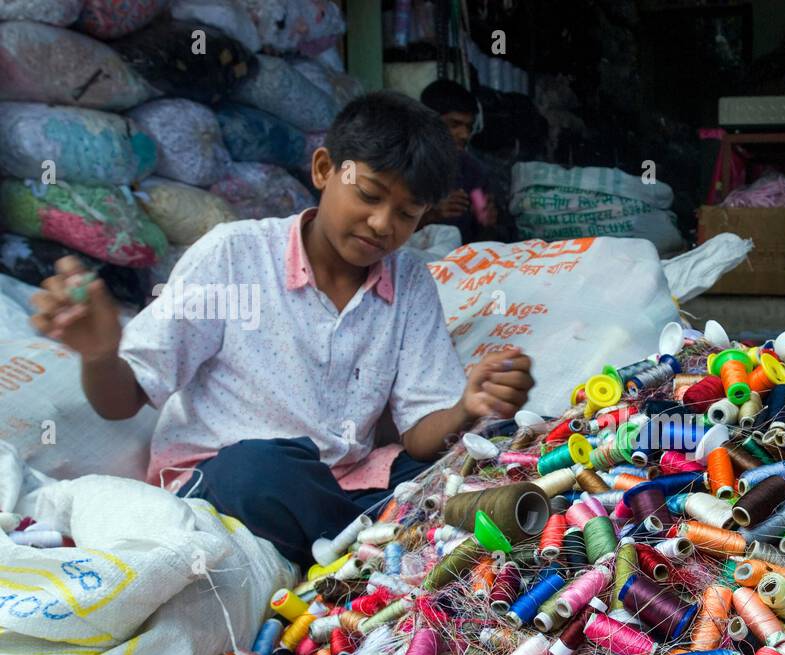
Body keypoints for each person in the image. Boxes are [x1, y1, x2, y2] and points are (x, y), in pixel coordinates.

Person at [28, 91, 534, 569]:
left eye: (406, 213)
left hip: (347, 484)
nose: (382, 224)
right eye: (370, 195)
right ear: (323, 169)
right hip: (232, 480)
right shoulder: (233, 255)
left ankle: (362, 544)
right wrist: (99, 354)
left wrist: (468, 407)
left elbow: (424, 436)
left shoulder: (410, 283)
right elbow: (123, 397)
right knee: (263, 471)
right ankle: (381, 541)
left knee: (483, 457)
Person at [419, 78, 505, 242]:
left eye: (468, 127)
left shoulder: (472, 171)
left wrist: (487, 221)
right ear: (428, 122)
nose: (464, 135)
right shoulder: (402, 166)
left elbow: (487, 243)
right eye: (454, 124)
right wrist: (431, 215)